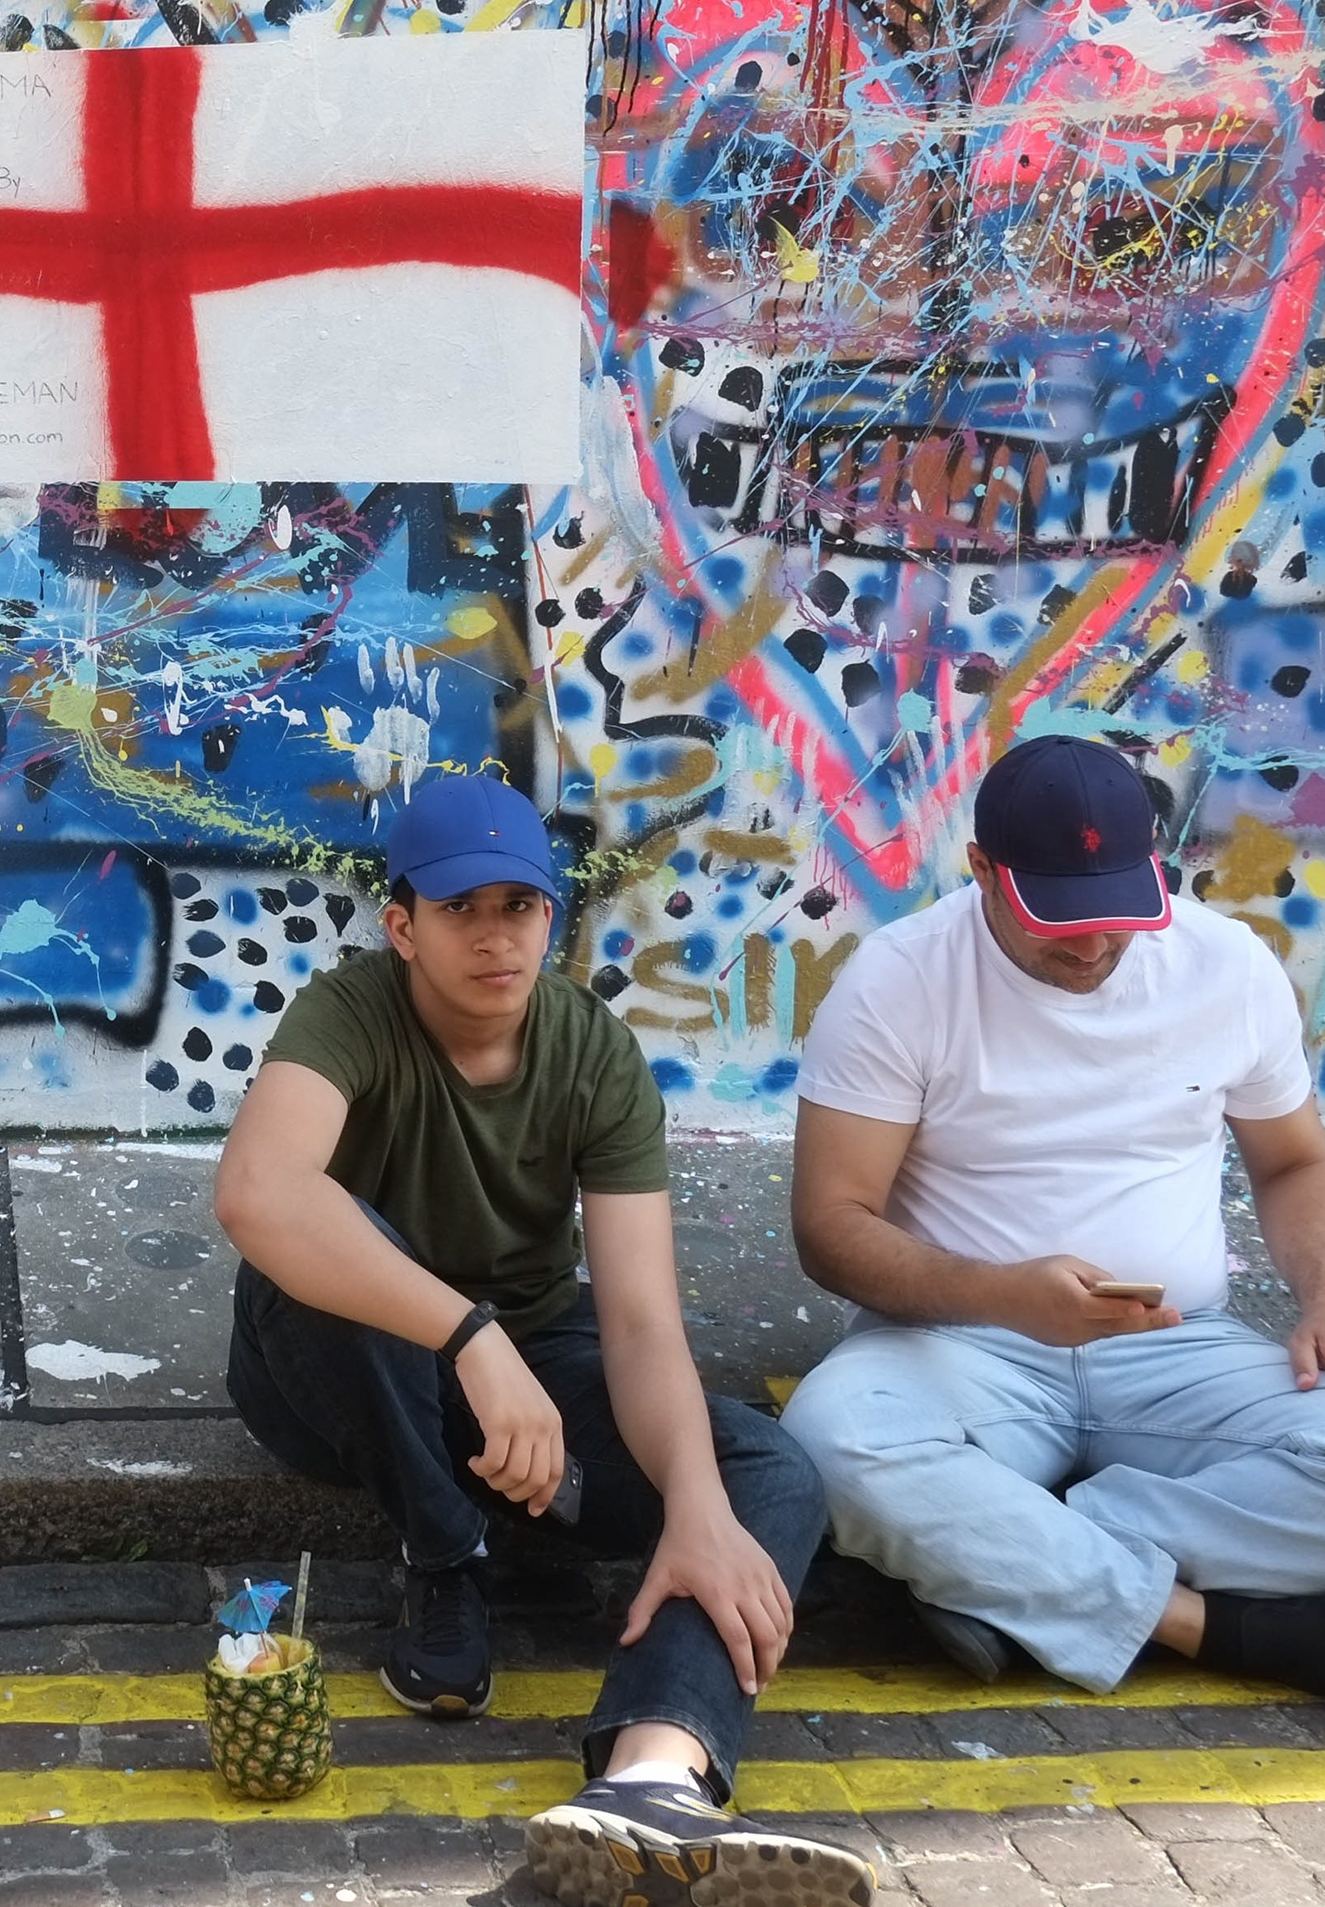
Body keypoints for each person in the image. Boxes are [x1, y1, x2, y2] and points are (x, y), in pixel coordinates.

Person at [216, 771, 867, 1907]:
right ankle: (446, 1556)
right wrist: (470, 1333)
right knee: (342, 1243)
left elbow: (639, 1318)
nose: (494, 935)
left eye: (518, 906)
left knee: (768, 1472)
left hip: (521, 1368)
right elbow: (259, 1197)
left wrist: (698, 1511)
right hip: (332, 1367)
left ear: (551, 918)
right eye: (462, 909)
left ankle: (650, 1777)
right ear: (403, 924)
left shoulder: (595, 1055)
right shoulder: (349, 1012)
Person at [782, 733, 1325, 1708]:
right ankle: (1215, 1626)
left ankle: (1013, 1551)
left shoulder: (1225, 966)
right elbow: (832, 1224)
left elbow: (1292, 1163)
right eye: (1056, 918)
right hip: (962, 1346)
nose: (1090, 944)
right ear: (985, 870)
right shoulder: (898, 980)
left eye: (1115, 912)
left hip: (1178, 1345)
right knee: (831, 1443)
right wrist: (1002, 1296)